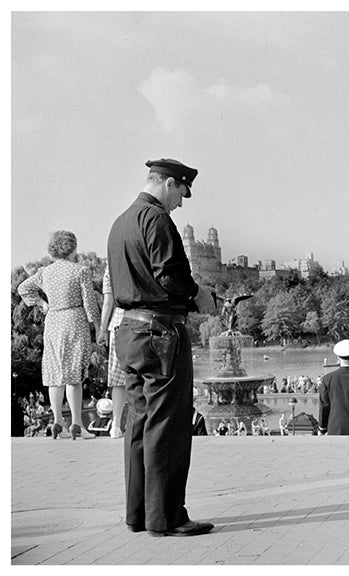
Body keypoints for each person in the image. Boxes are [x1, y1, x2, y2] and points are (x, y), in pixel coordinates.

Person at [107, 158, 217, 537]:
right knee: (168, 426)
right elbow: (168, 275)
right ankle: (168, 517)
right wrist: (198, 294)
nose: (181, 204)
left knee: (138, 423)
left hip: (130, 331)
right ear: (169, 184)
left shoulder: (121, 222)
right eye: (182, 193)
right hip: (161, 333)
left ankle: (138, 514)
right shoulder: (156, 219)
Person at [18, 230, 101, 440]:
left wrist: (42, 304)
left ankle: (57, 423)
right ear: (72, 247)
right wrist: (98, 327)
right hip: (75, 320)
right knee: (73, 374)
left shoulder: (45, 272)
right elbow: (90, 304)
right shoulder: (80, 271)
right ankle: (76, 424)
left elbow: (23, 288)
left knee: (55, 372)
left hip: (53, 321)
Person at [97, 266, 126, 438]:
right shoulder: (143, 254)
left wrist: (102, 329)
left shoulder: (112, 265)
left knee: (118, 378)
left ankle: (115, 424)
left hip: (118, 321)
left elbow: (108, 302)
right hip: (143, 317)